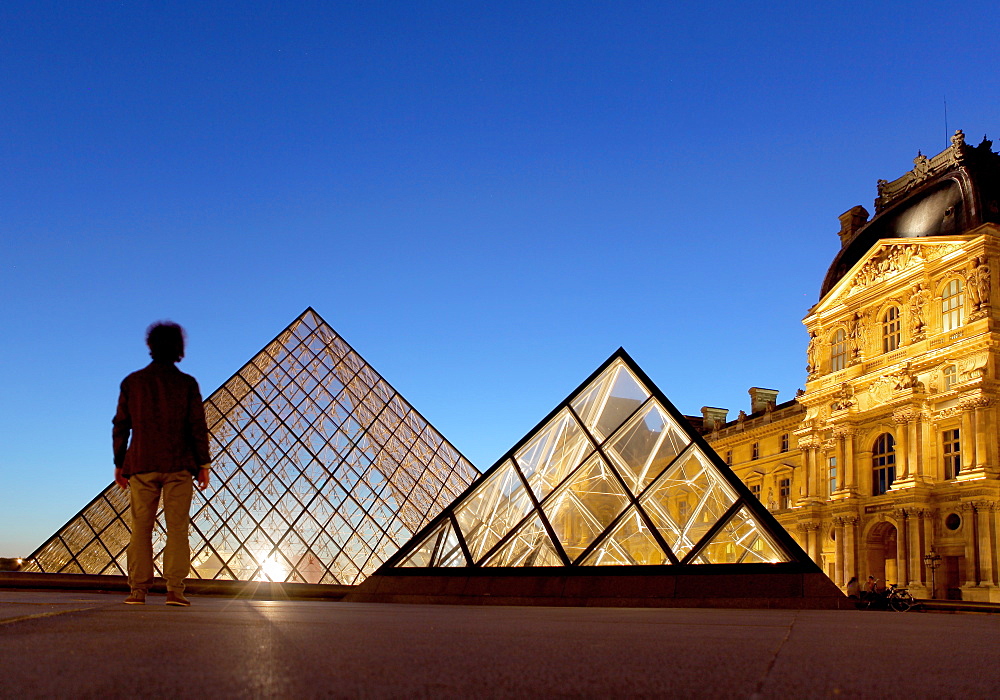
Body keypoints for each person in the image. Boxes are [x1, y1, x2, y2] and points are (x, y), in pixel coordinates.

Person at [113, 322, 211, 606]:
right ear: (179, 348)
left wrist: (120, 463)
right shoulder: (187, 384)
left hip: (142, 463)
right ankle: (174, 591)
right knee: (178, 528)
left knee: (140, 528)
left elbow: (121, 425)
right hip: (179, 465)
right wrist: (203, 463)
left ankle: (137, 591)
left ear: (150, 346)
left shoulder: (133, 382)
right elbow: (197, 427)